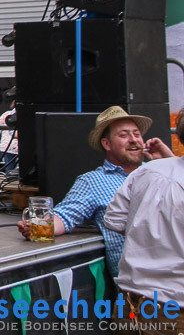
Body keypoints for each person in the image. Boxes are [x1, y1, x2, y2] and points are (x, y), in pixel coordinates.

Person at [16, 106, 172, 277]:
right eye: (124, 135)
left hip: (175, 271)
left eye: (136, 134)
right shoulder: (92, 181)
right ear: (106, 144)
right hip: (141, 281)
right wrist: (39, 226)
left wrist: (169, 161)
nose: (133, 140)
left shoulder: (159, 172)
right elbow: (65, 216)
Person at [105, 108, 184, 331]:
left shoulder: (147, 171)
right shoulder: (150, 169)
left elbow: (116, 220)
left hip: (131, 300)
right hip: (175, 309)